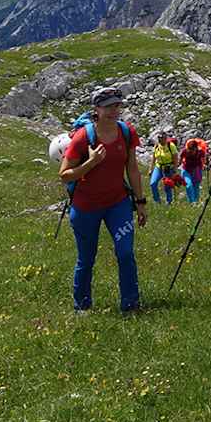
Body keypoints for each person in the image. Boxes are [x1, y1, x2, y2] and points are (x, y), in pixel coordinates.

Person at [57, 86, 147, 313]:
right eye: (109, 107)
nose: (115, 111)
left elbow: (133, 169)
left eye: (118, 105)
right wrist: (91, 162)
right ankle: (82, 308)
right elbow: (64, 174)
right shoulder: (82, 138)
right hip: (85, 207)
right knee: (86, 258)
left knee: (126, 252)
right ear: (96, 109)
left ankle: (130, 304)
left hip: (118, 204)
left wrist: (140, 201)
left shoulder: (126, 132)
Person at [148, 132, 179, 203]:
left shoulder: (171, 146)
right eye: (159, 138)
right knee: (153, 183)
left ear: (165, 138)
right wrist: (151, 169)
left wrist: (174, 169)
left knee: (167, 185)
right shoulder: (156, 146)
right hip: (159, 166)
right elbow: (153, 158)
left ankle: (169, 202)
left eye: (162, 138)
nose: (160, 140)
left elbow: (175, 158)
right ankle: (157, 201)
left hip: (168, 167)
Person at [180, 137, 207, 203]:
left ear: (196, 148)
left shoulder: (200, 152)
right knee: (189, 185)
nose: (190, 151)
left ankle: (196, 201)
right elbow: (180, 159)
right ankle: (191, 202)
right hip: (186, 169)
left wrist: (204, 165)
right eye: (189, 150)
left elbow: (203, 159)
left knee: (196, 186)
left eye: (192, 150)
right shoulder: (185, 151)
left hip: (196, 169)